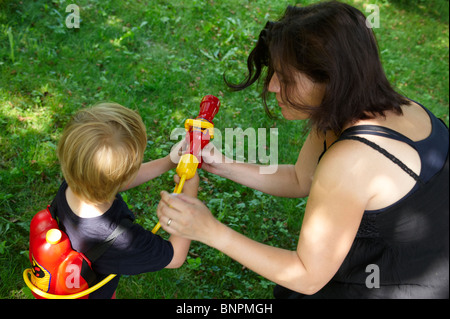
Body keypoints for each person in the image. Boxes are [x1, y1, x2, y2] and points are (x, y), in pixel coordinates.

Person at [157, 1, 449, 298]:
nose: (272, 87)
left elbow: (307, 276)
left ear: (331, 78)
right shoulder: (386, 107)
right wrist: (222, 164)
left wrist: (211, 232)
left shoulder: (353, 161)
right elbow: (301, 179)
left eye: (285, 78)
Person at [54, 102, 198, 298]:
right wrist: (189, 194)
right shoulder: (120, 240)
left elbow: (111, 180)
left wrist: (169, 161)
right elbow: (175, 256)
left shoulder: (74, 182)